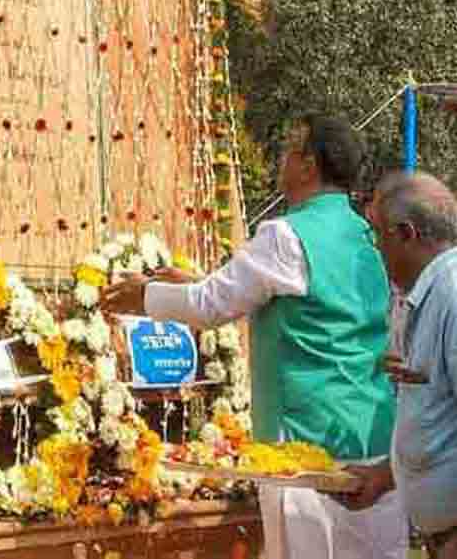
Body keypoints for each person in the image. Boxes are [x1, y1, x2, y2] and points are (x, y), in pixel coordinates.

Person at [102, 112, 407, 558]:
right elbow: (305, 303)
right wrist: (194, 283)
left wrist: (144, 296)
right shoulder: (366, 234)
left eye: (289, 150)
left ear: (308, 166)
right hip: (373, 442)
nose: (280, 159)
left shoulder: (287, 235)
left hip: (306, 453)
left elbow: (210, 306)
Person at [344, 171, 457, 555]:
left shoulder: (453, 296)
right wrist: (384, 476)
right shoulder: (427, 295)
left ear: (406, 234)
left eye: (379, 236)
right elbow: (439, 423)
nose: (376, 250)